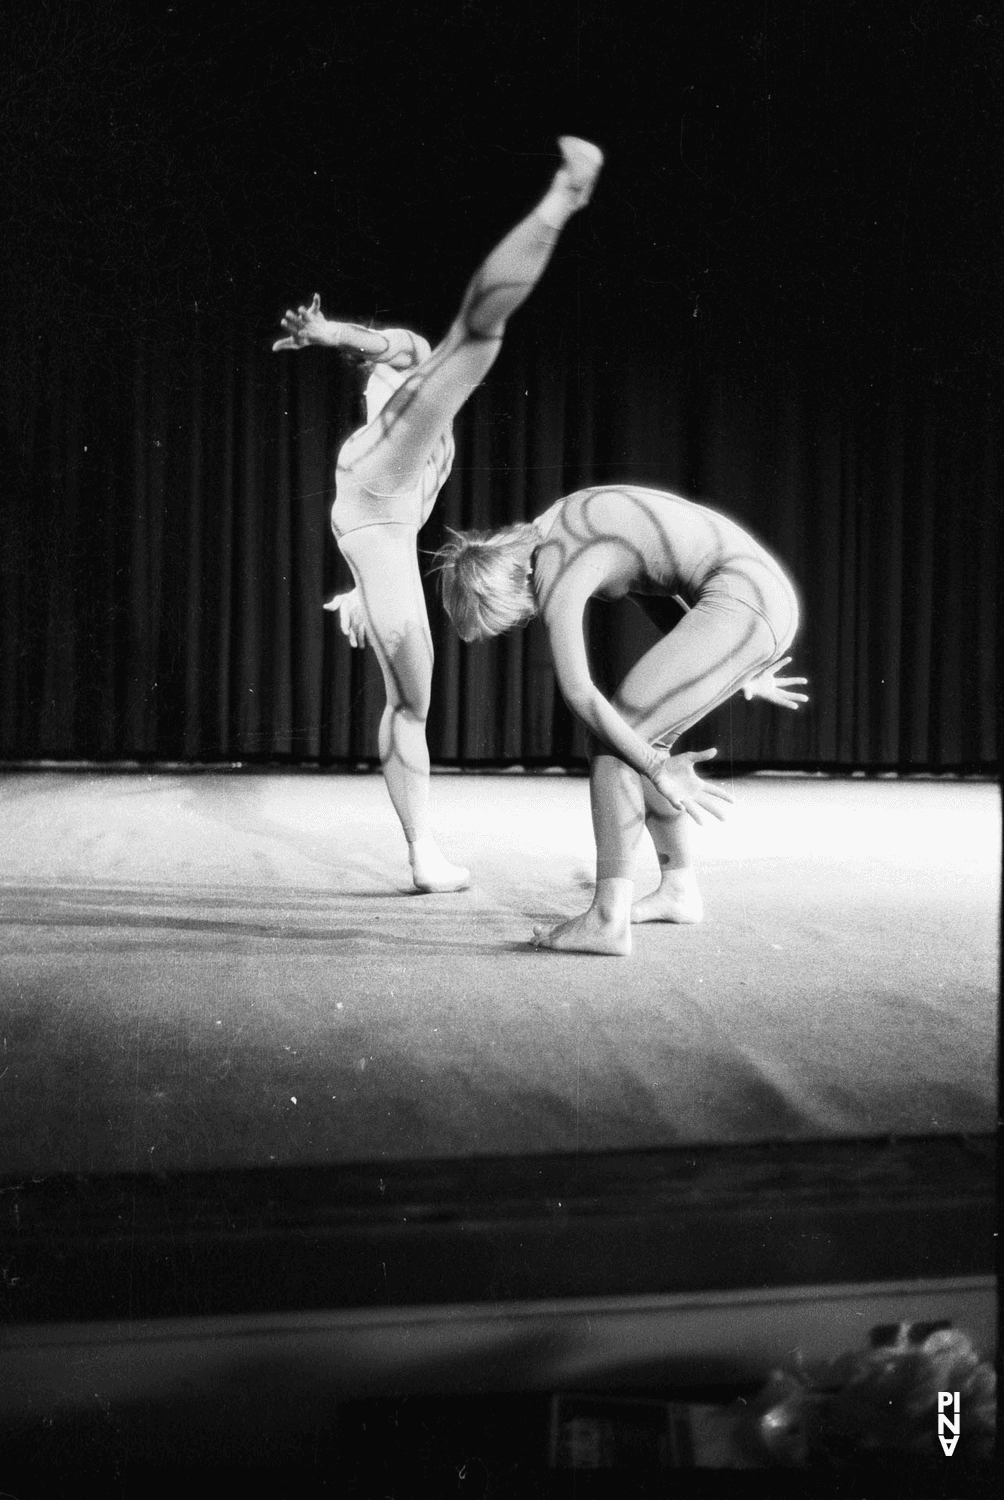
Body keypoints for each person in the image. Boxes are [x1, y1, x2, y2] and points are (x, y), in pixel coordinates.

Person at [273, 137, 603, 891]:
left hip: (377, 518)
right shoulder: (413, 376)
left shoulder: (435, 438)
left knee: (413, 697)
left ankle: (423, 852)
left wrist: (364, 579)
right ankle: (564, 196)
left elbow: (381, 521)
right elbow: (378, 342)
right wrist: (330, 334)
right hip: (376, 486)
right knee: (476, 337)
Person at [436, 485, 807, 952]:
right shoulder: (557, 524)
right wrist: (736, 665)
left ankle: (607, 921)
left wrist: (652, 766)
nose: (526, 620)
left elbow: (581, 695)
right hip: (754, 600)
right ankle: (678, 890)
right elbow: (657, 575)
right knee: (640, 737)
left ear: (508, 586)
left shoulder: (556, 565)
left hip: (747, 603)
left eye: (511, 618)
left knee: (615, 742)